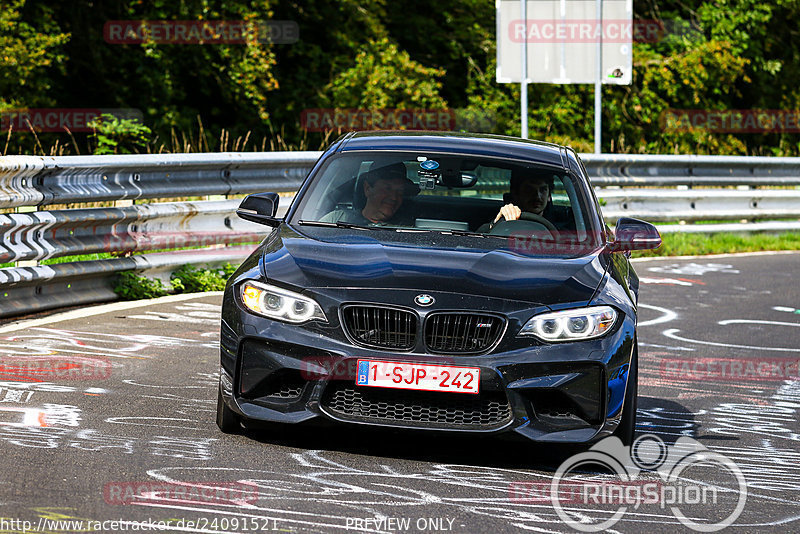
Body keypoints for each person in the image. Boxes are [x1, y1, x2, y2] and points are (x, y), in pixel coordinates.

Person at [321, 162, 418, 225]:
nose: (394, 197)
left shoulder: (406, 229)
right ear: (367, 189)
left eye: (400, 191)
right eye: (387, 188)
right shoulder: (336, 219)